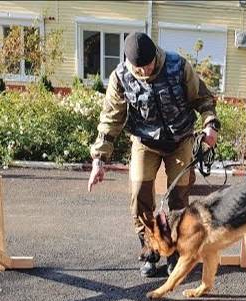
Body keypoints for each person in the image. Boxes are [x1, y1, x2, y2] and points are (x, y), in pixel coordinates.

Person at [87, 32, 219, 277]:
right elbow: (110, 119)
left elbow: (202, 97)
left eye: (148, 65)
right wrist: (99, 160)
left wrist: (210, 123)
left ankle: (176, 252)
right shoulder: (121, 77)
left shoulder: (178, 66)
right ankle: (149, 251)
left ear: (155, 56)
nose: (145, 71)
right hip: (145, 142)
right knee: (139, 194)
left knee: (179, 197)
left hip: (180, 139)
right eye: (139, 68)